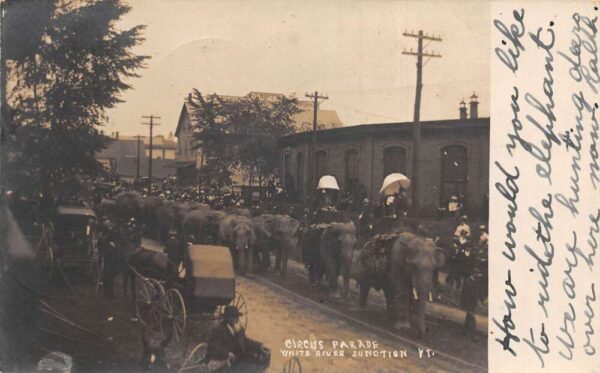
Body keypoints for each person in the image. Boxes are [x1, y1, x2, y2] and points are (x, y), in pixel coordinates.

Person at [206, 306, 270, 372]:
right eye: (234, 316)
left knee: (260, 360)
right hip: (227, 361)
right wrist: (227, 353)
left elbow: (245, 341)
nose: (236, 318)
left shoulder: (238, 327)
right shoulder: (218, 329)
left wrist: (259, 345)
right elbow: (213, 347)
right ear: (227, 317)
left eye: (237, 316)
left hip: (239, 357)